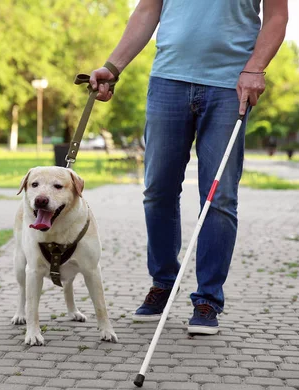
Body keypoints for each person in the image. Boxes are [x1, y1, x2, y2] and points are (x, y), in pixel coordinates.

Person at [90, 0, 288, 334]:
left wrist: (256, 67)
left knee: (219, 195)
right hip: (168, 80)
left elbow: (277, 16)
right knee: (157, 190)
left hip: (229, 86)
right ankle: (163, 283)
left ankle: (208, 299)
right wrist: (114, 65)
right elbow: (147, 11)